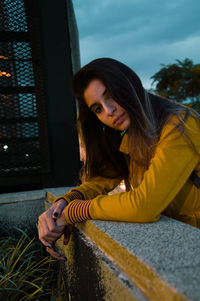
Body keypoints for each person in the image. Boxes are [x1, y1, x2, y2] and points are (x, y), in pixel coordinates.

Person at [38, 58, 200, 260]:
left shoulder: (181, 125)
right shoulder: (129, 137)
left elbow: (144, 206)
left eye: (111, 96)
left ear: (129, 86)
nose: (108, 111)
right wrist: (66, 202)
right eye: (97, 108)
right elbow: (100, 181)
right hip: (177, 246)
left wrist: (73, 213)